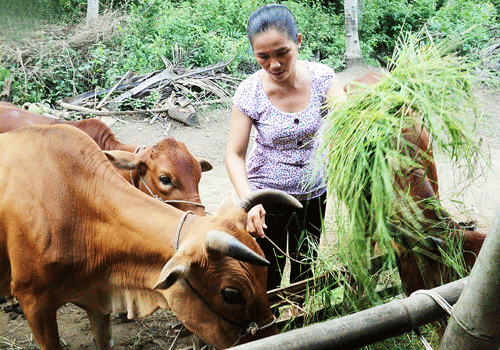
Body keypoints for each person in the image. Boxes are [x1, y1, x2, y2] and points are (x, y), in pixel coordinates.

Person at [225, 3, 346, 292]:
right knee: (269, 272)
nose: (274, 65)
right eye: (263, 57)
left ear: (298, 42)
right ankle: (271, 333)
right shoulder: (249, 92)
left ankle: (299, 325)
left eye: (282, 53)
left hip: (314, 193)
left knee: (305, 269)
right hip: (267, 200)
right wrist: (249, 202)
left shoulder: (322, 79)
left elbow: (347, 118)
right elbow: (234, 154)